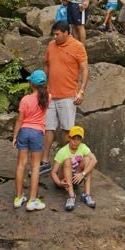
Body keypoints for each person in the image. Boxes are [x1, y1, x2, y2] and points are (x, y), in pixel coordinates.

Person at [39, 20, 89, 175]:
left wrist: (81, 91)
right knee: (48, 128)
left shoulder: (77, 46)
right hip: (51, 94)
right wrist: (43, 84)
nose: (55, 37)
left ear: (66, 33)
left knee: (67, 130)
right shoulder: (51, 45)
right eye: (53, 34)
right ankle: (45, 161)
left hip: (68, 95)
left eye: (57, 34)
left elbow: (85, 69)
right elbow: (47, 64)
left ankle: (65, 162)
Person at [12, 69, 50, 211]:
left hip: (24, 131)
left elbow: (19, 120)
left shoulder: (25, 100)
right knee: (35, 167)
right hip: (37, 133)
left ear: (31, 84)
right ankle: (32, 200)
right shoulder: (47, 97)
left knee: (21, 164)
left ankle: (18, 197)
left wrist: (15, 136)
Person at [50, 125, 97, 211]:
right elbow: (53, 172)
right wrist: (59, 183)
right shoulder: (63, 151)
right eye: (73, 139)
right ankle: (71, 196)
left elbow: (94, 160)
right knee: (67, 160)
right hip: (63, 179)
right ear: (69, 138)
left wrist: (83, 174)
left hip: (76, 178)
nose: (75, 142)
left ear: (81, 140)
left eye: (78, 139)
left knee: (87, 160)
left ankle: (87, 194)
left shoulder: (82, 147)